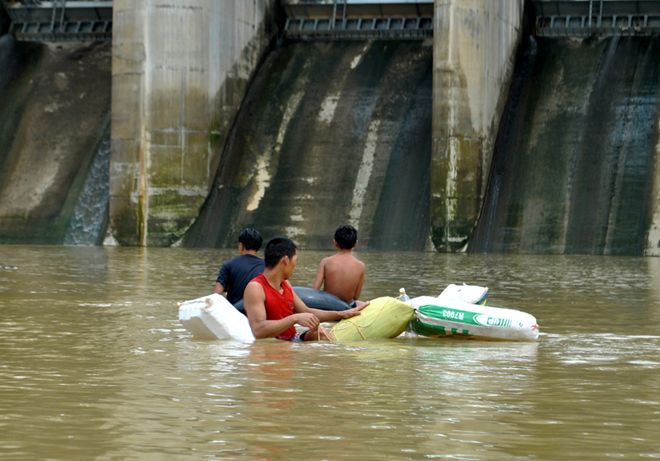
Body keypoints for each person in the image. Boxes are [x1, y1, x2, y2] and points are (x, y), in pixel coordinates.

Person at [243, 237, 365, 341]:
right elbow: (258, 330)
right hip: (275, 344)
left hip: (292, 339)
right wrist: (294, 318)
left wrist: (342, 313)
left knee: (323, 336)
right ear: (285, 260)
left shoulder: (285, 284)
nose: (295, 266)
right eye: (295, 261)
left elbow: (306, 310)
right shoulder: (255, 288)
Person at [312, 224, 366, 306]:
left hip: (327, 305)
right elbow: (356, 296)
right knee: (362, 303)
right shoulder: (361, 266)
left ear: (334, 242)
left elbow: (314, 290)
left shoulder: (326, 262)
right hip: (347, 306)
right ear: (355, 244)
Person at [214, 228, 265, 305]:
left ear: (241, 245)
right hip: (258, 312)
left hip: (234, 313)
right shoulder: (267, 267)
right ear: (258, 247)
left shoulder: (228, 265)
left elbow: (216, 296)